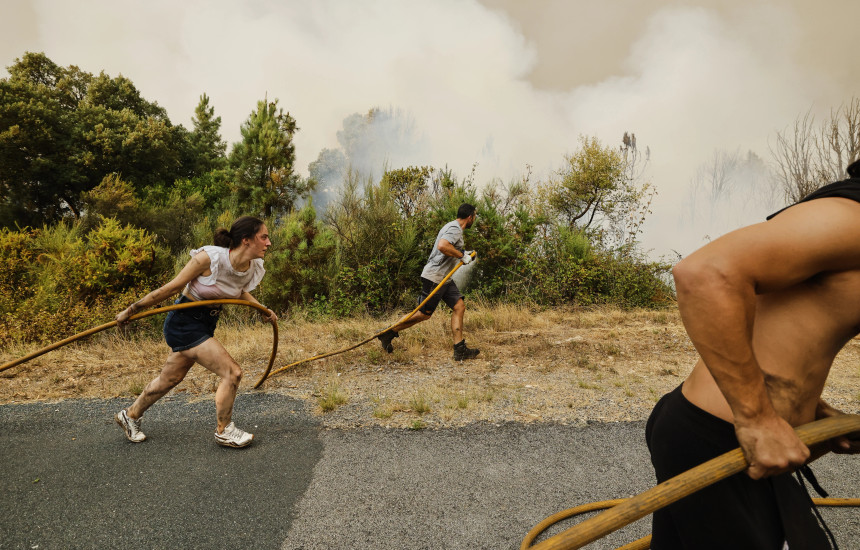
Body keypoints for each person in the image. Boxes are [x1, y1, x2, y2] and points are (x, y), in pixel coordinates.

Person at [645, 160, 860, 549]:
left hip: (726, 435)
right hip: (718, 437)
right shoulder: (852, 217)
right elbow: (704, 274)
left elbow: (788, 324)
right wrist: (757, 417)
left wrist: (814, 410)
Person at [114, 216, 277, 448]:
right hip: (183, 323)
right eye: (264, 237)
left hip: (206, 324)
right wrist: (131, 310)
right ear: (246, 240)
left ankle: (129, 416)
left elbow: (237, 290)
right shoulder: (209, 258)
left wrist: (262, 310)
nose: (269, 242)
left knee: (168, 379)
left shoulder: (250, 267)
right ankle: (224, 430)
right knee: (232, 373)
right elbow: (170, 287)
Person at [377, 203, 480, 361]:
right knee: (423, 315)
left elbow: (449, 250)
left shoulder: (453, 227)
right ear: (469, 217)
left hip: (445, 279)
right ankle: (389, 332)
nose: (475, 219)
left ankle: (460, 350)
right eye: (475, 216)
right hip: (436, 277)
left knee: (459, 306)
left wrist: (465, 253)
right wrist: (461, 255)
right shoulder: (455, 228)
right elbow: (443, 246)